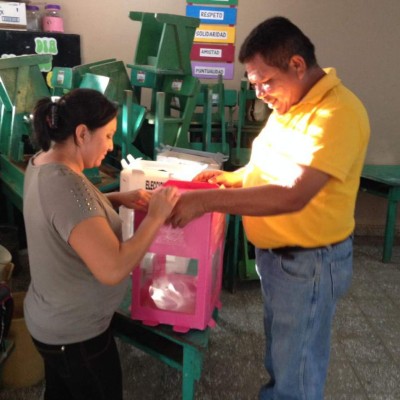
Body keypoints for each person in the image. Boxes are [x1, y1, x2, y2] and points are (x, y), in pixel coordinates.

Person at [170, 16, 370, 400]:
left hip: (308, 263)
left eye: (266, 81)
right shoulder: (291, 104)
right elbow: (272, 165)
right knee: (283, 356)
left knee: (296, 373)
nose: (260, 92)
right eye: (253, 83)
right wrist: (234, 178)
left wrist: (205, 202)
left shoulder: (336, 113)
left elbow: (293, 193)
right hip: (279, 260)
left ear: (296, 64)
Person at [23, 88, 180, 400]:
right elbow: (113, 268)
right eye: (107, 136)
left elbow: (61, 219)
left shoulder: (42, 162)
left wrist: (113, 199)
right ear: (82, 134)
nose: (111, 147)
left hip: (52, 323)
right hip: (76, 335)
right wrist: (155, 217)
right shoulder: (67, 186)